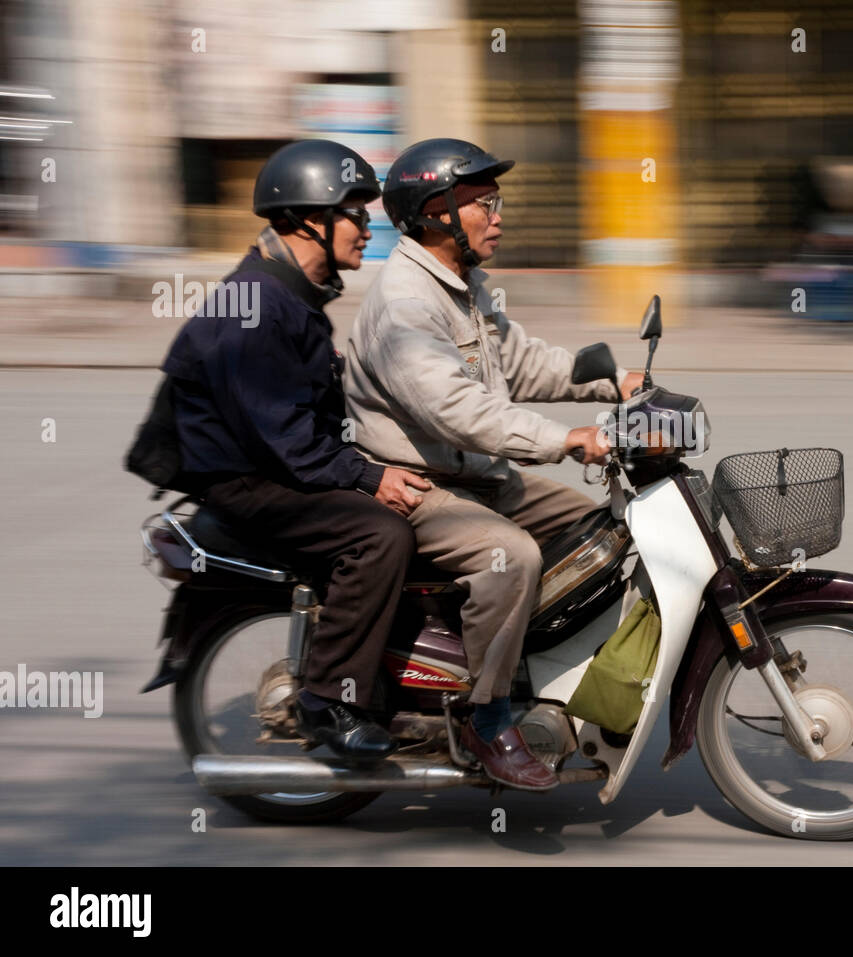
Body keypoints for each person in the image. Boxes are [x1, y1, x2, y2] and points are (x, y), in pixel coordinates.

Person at [344, 138, 643, 791]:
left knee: (612, 524)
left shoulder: (464, 286)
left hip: (476, 474)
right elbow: (460, 411)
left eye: (497, 202)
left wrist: (615, 380)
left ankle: (548, 667)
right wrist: (567, 440)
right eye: (483, 203)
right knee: (513, 557)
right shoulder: (404, 302)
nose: (498, 216)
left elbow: (522, 361)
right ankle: (487, 713)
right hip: (422, 485)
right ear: (434, 213)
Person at [161, 139, 431, 764]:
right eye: (356, 215)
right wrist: (370, 478)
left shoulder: (290, 293)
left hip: (274, 461)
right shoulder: (257, 305)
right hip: (248, 478)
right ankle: (328, 701)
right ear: (310, 218)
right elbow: (285, 440)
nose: (369, 229)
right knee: (378, 536)